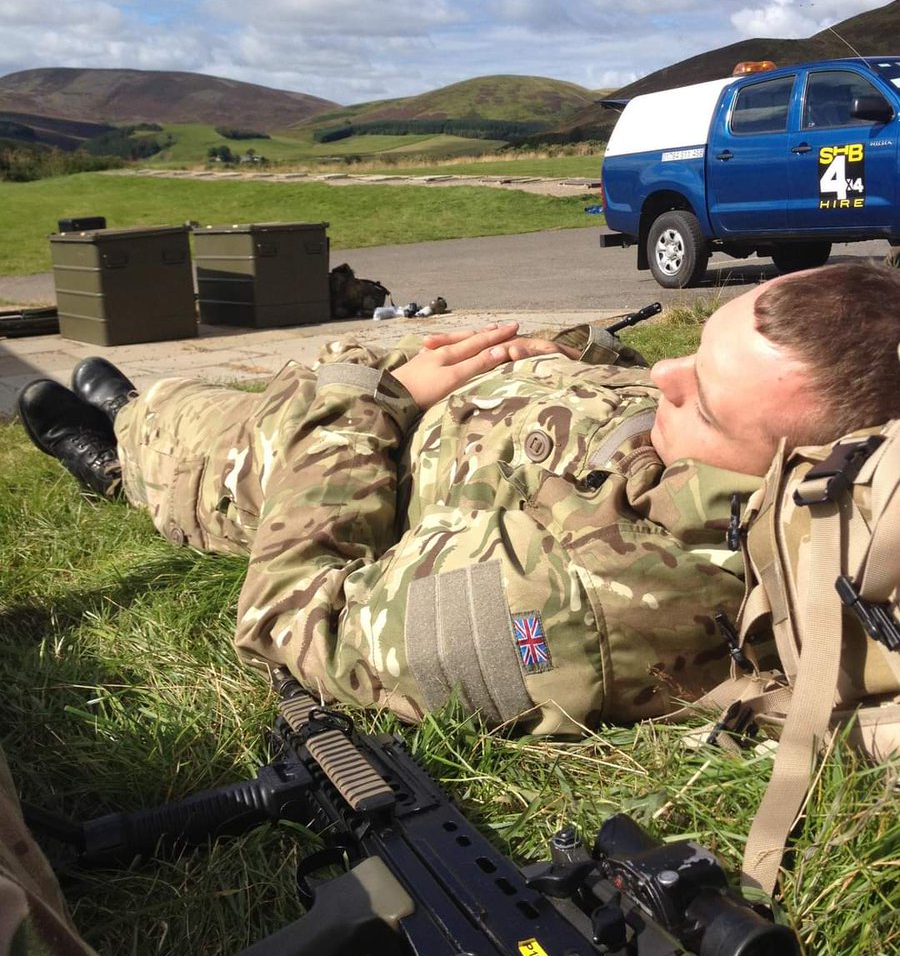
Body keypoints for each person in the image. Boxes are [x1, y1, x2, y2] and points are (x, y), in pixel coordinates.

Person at [16, 262, 900, 738]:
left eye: (699, 400)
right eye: (691, 356)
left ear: (798, 482)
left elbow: (293, 616)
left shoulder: (604, 603)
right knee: (212, 397)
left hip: (295, 461)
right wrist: (557, 357)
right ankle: (135, 412)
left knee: (168, 426)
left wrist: (371, 397)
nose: (663, 377)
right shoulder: (727, 463)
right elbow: (649, 402)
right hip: (410, 406)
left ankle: (118, 455)